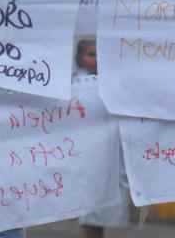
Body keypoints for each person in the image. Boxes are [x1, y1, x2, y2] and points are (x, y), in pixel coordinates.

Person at [72, 40, 129, 238]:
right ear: (79, 57)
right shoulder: (73, 84)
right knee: (91, 215)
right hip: (85, 156)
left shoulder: (112, 81)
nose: (96, 59)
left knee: (100, 214)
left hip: (110, 155)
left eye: (100, 54)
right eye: (90, 54)